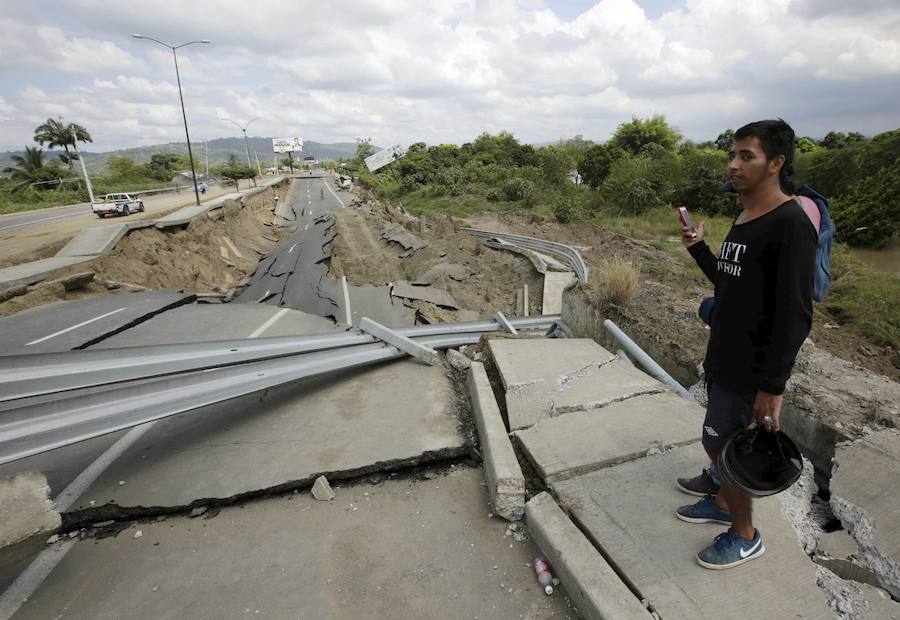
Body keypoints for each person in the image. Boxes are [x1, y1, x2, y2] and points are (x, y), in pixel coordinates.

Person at [675, 119, 817, 570]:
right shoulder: (746, 215)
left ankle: (745, 534)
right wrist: (700, 249)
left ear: (776, 163)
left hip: (751, 369)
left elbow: (795, 315)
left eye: (746, 156)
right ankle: (721, 500)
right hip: (725, 357)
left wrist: (771, 388)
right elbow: (730, 283)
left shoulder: (790, 224)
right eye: (733, 155)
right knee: (720, 442)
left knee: (723, 446)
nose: (734, 164)